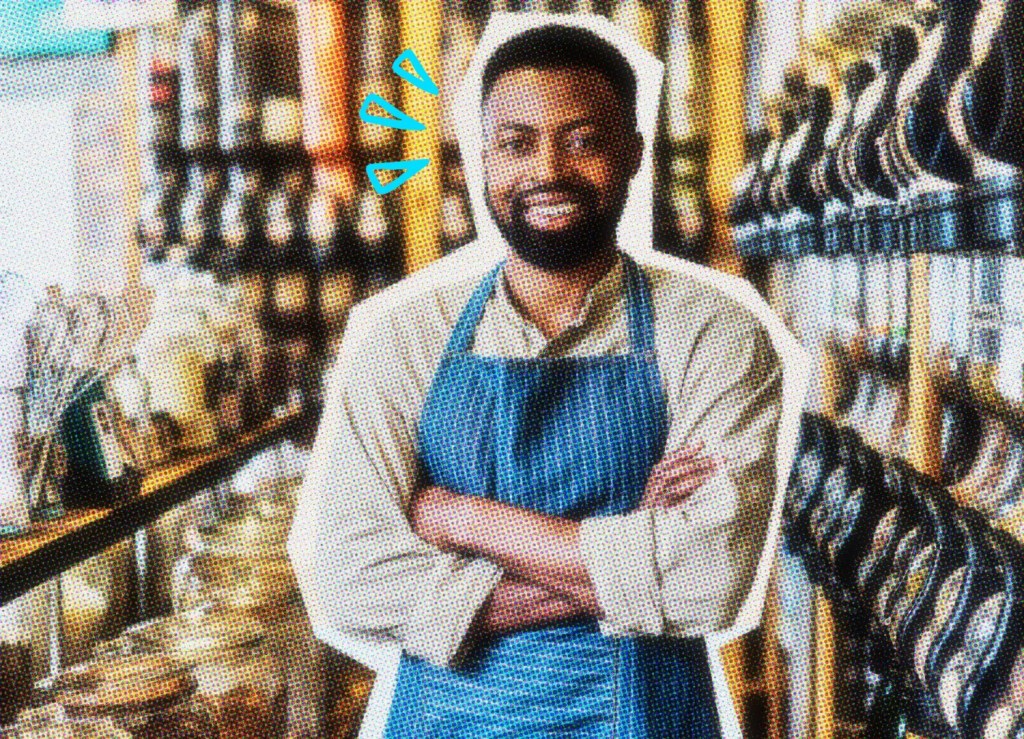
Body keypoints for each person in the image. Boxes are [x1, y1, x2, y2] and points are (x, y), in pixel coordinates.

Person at [291, 22, 784, 739]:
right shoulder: (405, 339)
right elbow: (348, 578)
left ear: (633, 154)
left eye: (582, 140)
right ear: (483, 160)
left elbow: (707, 576)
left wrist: (465, 520)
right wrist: (628, 554)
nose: (547, 169)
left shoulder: (715, 332)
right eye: (517, 143)